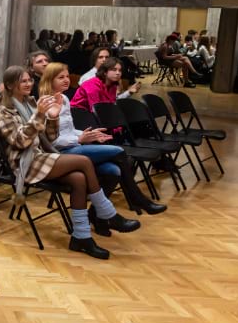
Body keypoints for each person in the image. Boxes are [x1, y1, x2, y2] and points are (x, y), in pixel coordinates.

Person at [0, 66, 140, 260]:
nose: (29, 84)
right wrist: (39, 115)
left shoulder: (30, 102)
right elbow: (21, 141)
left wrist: (52, 116)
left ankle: (81, 237)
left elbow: (50, 137)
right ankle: (107, 213)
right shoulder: (3, 112)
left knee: (79, 179)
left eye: (30, 80)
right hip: (25, 163)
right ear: (11, 85)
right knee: (84, 161)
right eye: (24, 81)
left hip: (41, 155)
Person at [39, 63, 165, 217]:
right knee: (119, 151)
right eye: (61, 77)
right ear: (50, 80)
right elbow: (50, 141)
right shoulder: (45, 103)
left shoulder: (64, 98)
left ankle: (97, 217)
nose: (66, 80)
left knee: (114, 171)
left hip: (73, 145)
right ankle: (137, 199)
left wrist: (90, 134)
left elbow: (69, 130)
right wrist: (79, 139)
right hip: (60, 154)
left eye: (67, 76)